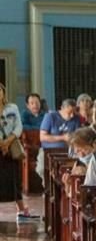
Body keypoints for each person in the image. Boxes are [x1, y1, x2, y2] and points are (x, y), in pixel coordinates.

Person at [0, 82, 36, 221]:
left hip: (11, 147)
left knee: (14, 179)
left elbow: (18, 126)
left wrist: (8, 141)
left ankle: (21, 210)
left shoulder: (12, 107)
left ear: (3, 92)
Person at [39, 98, 81, 180]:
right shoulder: (50, 116)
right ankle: (48, 189)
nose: (72, 115)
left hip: (69, 150)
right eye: (69, 112)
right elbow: (42, 137)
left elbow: (78, 135)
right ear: (62, 109)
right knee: (42, 169)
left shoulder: (76, 118)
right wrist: (63, 138)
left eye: (74, 112)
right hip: (48, 151)